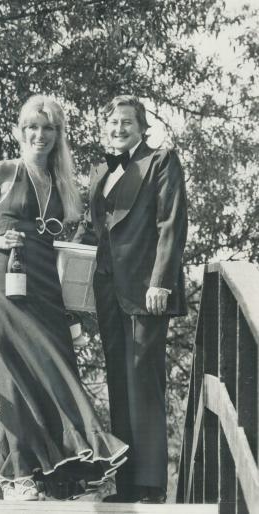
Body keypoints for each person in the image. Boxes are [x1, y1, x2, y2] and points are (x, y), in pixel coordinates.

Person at [0, 94, 128, 501]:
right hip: (4, 280)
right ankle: (26, 475)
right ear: (21, 132)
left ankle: (45, 475)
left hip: (45, 284)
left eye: (48, 129)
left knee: (55, 369)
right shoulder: (3, 171)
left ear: (58, 135)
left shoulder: (62, 184)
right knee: (16, 372)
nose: (40, 135)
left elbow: (68, 244)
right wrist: (3, 242)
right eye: (32, 128)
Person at [74, 95, 188, 504]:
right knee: (119, 385)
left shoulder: (160, 161)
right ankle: (125, 486)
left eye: (127, 122)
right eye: (112, 122)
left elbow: (171, 224)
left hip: (145, 290)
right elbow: (92, 231)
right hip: (108, 289)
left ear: (142, 127)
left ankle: (151, 486)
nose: (119, 129)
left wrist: (161, 282)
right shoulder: (99, 170)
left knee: (144, 382)